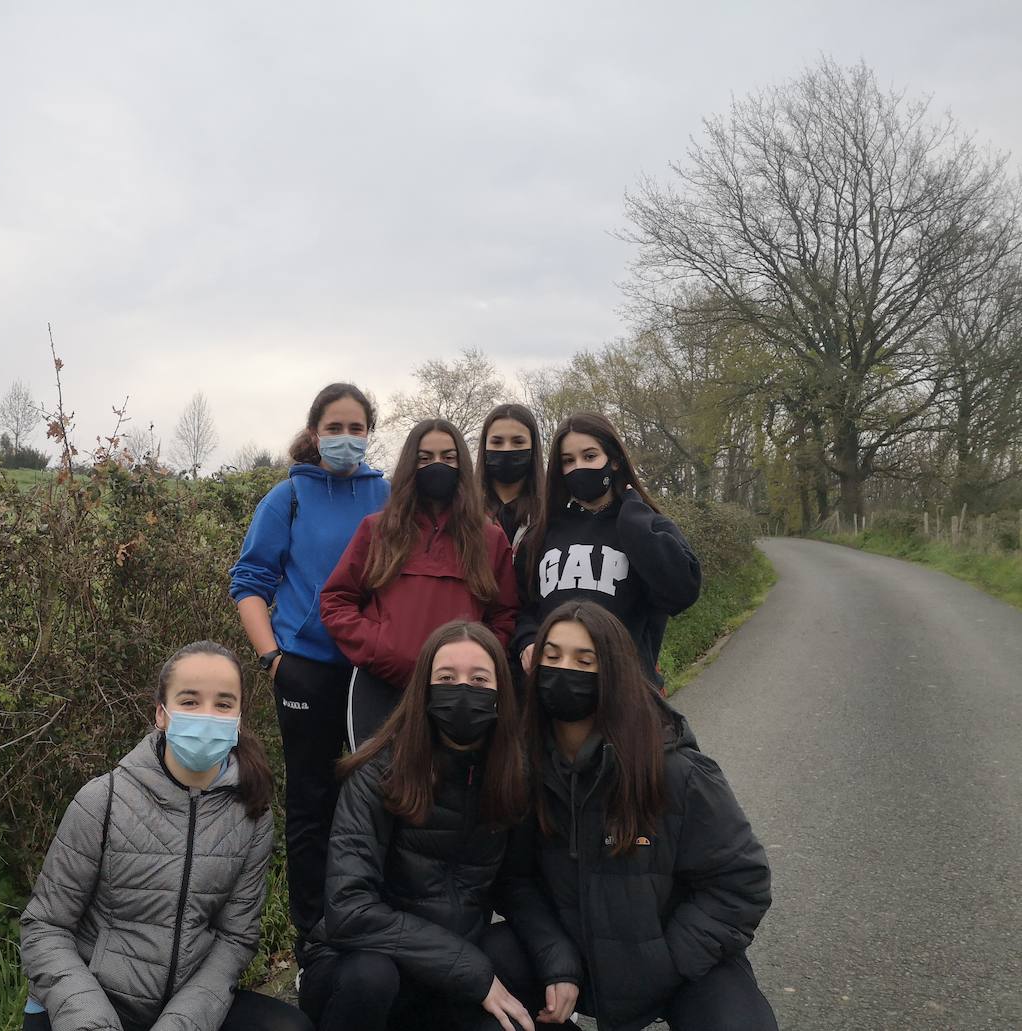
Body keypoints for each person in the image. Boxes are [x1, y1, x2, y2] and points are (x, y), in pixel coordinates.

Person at [497, 601, 776, 1031]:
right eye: (551, 656)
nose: (563, 669)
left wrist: (664, 963)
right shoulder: (524, 769)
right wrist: (556, 958)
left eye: (583, 660)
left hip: (677, 963)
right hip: (576, 955)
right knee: (485, 961)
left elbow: (740, 885)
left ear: (615, 672)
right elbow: (517, 881)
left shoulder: (677, 770)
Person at [19, 641, 312, 1031]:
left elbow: (235, 939)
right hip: (91, 1003)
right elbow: (45, 927)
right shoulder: (102, 800)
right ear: (161, 713)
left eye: (223, 704)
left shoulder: (252, 814)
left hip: (186, 1004)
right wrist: (89, 1019)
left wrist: (182, 1023)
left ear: (239, 719)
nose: (207, 715)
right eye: (190, 702)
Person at [298, 621, 538, 1031]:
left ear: (501, 694)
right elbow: (349, 909)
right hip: (360, 963)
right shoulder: (377, 773)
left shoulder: (509, 776)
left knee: (516, 956)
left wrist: (559, 963)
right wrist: (468, 969)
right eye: (446, 678)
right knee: (371, 977)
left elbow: (516, 884)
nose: (462, 689)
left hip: (446, 969)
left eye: (479, 679)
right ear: (423, 691)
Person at [228, 383, 389, 952]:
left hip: (375, 672)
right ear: (315, 431)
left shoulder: (389, 497)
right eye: (335, 428)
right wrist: (273, 658)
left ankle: (375, 922)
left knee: (378, 795)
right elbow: (249, 584)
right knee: (311, 802)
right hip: (306, 672)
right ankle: (312, 936)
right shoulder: (287, 497)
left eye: (357, 428)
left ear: (370, 433)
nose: (346, 439)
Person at [321, 419, 519, 748]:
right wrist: (380, 647)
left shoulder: (490, 538)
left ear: (462, 465)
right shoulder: (378, 530)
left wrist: (474, 665)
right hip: (381, 688)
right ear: (411, 465)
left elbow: (505, 615)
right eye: (425, 458)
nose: (436, 466)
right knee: (374, 787)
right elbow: (336, 601)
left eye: (448, 457)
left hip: (459, 697)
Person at [514, 412, 700, 689]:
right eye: (568, 461)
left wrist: (632, 516)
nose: (578, 467)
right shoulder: (541, 534)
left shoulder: (648, 524)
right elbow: (523, 607)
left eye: (589, 456)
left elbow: (682, 589)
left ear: (613, 460)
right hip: (555, 691)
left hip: (628, 692)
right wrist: (527, 639)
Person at [477, 403, 544, 556]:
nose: (507, 449)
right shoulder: (466, 509)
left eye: (518, 442)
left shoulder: (549, 512)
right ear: (484, 447)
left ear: (533, 448)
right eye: (497, 442)